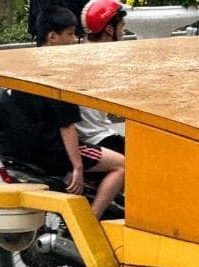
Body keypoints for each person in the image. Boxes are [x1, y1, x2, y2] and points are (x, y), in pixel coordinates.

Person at [11, 5, 124, 218]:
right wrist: (78, 168)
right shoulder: (58, 73)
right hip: (56, 152)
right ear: (52, 37)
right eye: (70, 34)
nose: (74, 40)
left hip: (32, 151)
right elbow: (67, 125)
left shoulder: (26, 67)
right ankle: (89, 222)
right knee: (122, 166)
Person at [76, 0, 127, 153]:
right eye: (122, 27)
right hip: (94, 137)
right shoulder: (104, 58)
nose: (123, 32)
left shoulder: (82, 51)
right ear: (110, 29)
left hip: (88, 134)